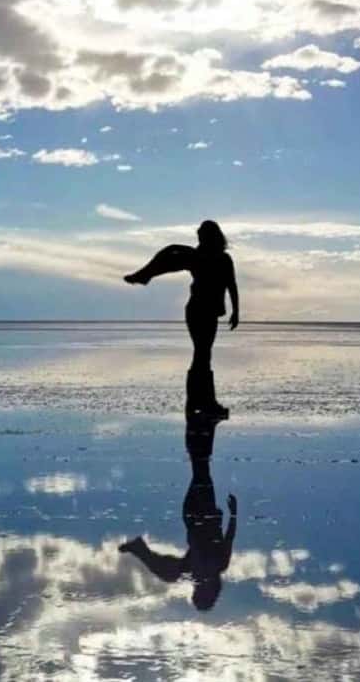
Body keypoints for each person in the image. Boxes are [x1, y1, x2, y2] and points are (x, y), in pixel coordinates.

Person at [119, 415, 237, 611]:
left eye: (196, 590)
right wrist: (233, 515)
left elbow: (179, 565)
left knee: (200, 465)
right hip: (205, 512)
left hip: (192, 515)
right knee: (200, 465)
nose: (196, 587)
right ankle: (206, 426)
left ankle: (206, 427)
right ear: (208, 591)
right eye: (198, 591)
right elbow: (229, 538)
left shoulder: (197, 571)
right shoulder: (218, 565)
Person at [124, 220, 238, 417]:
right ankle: (202, 402)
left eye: (202, 236)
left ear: (211, 237)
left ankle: (200, 401)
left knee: (202, 354)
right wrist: (236, 311)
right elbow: (171, 260)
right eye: (199, 236)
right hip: (198, 310)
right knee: (202, 354)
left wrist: (237, 311)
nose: (199, 239)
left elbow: (231, 284)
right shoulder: (199, 256)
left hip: (206, 311)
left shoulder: (216, 258)